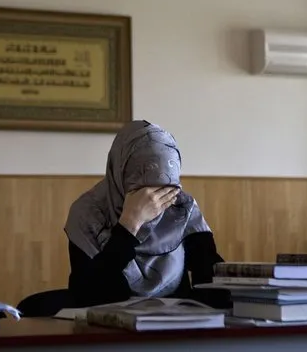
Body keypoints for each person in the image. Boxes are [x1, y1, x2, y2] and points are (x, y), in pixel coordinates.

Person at [64, 120, 224, 307]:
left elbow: (213, 287)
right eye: (144, 190)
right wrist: (128, 226)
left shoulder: (181, 208)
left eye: (165, 188)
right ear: (120, 175)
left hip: (175, 329)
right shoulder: (89, 214)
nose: (155, 202)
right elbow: (91, 296)